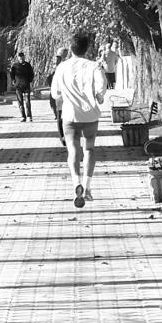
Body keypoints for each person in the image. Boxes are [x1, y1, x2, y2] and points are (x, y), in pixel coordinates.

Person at [50, 30, 106, 208]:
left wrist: (63, 98)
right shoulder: (93, 66)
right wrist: (99, 97)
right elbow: (102, 86)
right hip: (90, 115)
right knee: (89, 149)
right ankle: (88, 187)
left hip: (70, 115)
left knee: (73, 151)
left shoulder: (62, 67)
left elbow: (55, 93)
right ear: (86, 48)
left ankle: (76, 183)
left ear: (70, 48)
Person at [47, 47, 68, 145]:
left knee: (61, 116)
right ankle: (64, 136)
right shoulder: (62, 65)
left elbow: (50, 80)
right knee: (61, 116)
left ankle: (63, 136)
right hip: (62, 95)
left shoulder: (62, 65)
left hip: (60, 94)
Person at [9, 52, 35, 122]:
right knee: (20, 102)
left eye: (22, 58)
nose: (21, 59)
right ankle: (23, 116)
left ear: (24, 57)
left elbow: (32, 74)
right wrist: (13, 81)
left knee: (27, 102)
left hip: (26, 86)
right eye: (20, 58)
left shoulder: (28, 65)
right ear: (18, 58)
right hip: (18, 87)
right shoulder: (15, 66)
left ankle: (29, 116)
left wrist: (29, 80)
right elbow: (11, 74)